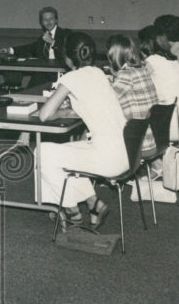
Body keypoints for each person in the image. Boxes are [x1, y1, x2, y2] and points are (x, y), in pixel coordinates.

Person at [36, 32, 118, 230]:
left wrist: (56, 110)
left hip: (108, 158)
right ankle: (93, 203)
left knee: (42, 152)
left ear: (67, 57)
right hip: (125, 150)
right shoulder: (98, 73)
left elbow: (44, 115)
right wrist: (64, 111)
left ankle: (73, 212)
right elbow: (83, 109)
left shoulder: (72, 77)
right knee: (67, 151)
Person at [106, 35, 157, 155]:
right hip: (155, 139)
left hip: (139, 144)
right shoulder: (143, 70)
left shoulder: (126, 75)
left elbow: (106, 99)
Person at [138, 25, 179, 140]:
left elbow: (137, 78)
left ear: (147, 43)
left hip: (169, 123)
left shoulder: (153, 60)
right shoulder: (173, 60)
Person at [0, 6, 70, 64]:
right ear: (41, 23)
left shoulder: (66, 34)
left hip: (61, 72)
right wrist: (9, 50)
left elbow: (69, 53)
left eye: (51, 19)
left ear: (56, 20)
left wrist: (52, 42)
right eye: (45, 19)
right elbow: (29, 48)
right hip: (44, 71)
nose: (48, 22)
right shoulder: (42, 38)